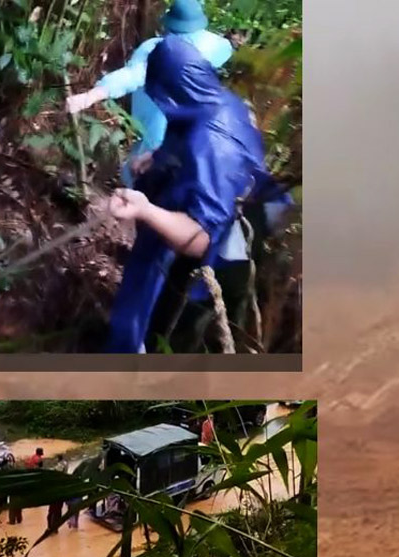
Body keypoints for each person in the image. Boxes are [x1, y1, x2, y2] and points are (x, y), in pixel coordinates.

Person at [103, 36, 291, 354]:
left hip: (233, 233)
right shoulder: (217, 100)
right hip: (228, 199)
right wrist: (157, 156)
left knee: (180, 311)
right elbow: (185, 130)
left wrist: (145, 210)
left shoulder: (214, 147)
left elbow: (201, 237)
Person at [66, 0, 233, 188]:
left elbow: (131, 76)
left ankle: (137, 200)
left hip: (159, 122)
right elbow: (226, 48)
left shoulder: (158, 51)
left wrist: (90, 96)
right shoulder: (212, 44)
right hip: (190, 123)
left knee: (143, 168)